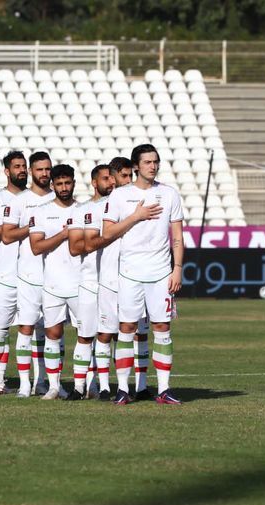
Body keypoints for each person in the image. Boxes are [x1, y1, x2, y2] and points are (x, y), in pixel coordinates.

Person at [103, 144, 184, 405]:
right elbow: (108, 233)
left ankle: (163, 389)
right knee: (126, 328)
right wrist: (136, 216)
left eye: (155, 161)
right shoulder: (119, 196)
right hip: (129, 273)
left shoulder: (169, 194)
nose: (153, 166)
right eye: (147, 162)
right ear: (136, 166)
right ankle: (124, 389)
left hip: (161, 273)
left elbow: (178, 237)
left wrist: (177, 269)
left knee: (162, 327)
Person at [2, 151, 55, 397]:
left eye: (48, 169)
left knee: (53, 331)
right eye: (40, 169)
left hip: (55, 277)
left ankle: (45, 381)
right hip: (28, 274)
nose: (45, 173)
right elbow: (7, 235)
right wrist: (34, 228)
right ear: (32, 172)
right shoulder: (20, 200)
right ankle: (25, 383)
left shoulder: (60, 199)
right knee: (26, 328)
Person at [29, 164, 79, 400]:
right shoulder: (41, 212)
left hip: (81, 282)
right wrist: (62, 234)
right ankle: (54, 386)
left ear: (74, 183)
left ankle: (85, 385)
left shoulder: (83, 210)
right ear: (53, 186)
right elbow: (36, 247)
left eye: (67, 183)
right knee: (53, 332)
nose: (64, 188)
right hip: (53, 283)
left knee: (85, 334)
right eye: (59, 184)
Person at [0, 151, 28, 392]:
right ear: (7, 172)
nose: (22, 170)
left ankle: (34, 383)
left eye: (24, 166)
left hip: (34, 275)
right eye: (17, 166)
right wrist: (16, 228)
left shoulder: (39, 198)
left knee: (33, 330)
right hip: (5, 274)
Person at [68, 164, 114, 400]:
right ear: (95, 183)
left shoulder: (120, 207)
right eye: (106, 178)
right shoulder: (82, 210)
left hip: (111, 281)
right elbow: (76, 247)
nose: (111, 182)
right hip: (87, 280)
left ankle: (104, 387)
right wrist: (106, 237)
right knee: (85, 335)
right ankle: (79, 387)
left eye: (112, 178)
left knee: (106, 334)